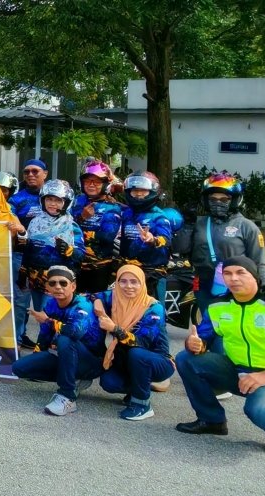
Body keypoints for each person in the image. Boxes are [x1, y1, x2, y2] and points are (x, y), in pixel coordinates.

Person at [174, 256, 265, 456]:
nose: (233, 278)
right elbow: (203, 339)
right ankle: (211, 420)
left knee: (262, 411)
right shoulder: (217, 306)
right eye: (227, 273)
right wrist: (195, 345)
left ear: (255, 276)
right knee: (186, 359)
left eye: (240, 272)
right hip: (236, 373)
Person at [11, 266, 106, 416]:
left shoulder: (83, 305)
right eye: (53, 283)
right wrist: (38, 356)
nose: (58, 287)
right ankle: (74, 378)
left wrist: (48, 321)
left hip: (92, 362)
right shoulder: (51, 303)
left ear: (73, 286)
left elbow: (75, 332)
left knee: (65, 339)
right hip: (66, 357)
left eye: (63, 283)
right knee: (19, 368)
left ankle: (67, 396)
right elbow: (45, 335)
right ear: (47, 287)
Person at [92, 265, 174, 420]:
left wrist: (115, 328)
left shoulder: (154, 307)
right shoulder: (114, 297)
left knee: (137, 354)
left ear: (142, 283)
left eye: (134, 282)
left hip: (157, 360)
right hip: (125, 359)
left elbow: (143, 341)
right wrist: (97, 302)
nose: (128, 286)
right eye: (123, 281)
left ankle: (142, 404)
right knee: (109, 382)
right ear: (117, 283)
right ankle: (138, 387)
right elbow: (88, 296)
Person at [190, 171, 265, 312]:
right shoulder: (200, 224)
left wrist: (262, 289)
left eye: (224, 199)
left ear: (235, 200)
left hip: (234, 285)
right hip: (204, 285)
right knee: (208, 322)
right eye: (213, 199)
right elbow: (184, 250)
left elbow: (259, 260)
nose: (218, 203)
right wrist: (186, 225)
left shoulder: (246, 226)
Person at [19, 179, 85, 335]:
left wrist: (68, 250)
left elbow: (81, 254)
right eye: (49, 199)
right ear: (42, 200)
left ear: (66, 202)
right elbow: (28, 249)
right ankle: (43, 344)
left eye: (58, 200)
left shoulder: (71, 225)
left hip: (57, 281)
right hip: (36, 279)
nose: (53, 204)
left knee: (53, 316)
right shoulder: (34, 222)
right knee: (40, 315)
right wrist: (23, 271)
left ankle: (53, 344)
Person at [8, 159, 48, 348]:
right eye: (26, 172)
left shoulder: (54, 195)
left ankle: (46, 342)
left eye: (35, 171)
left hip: (47, 259)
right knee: (21, 301)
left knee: (46, 304)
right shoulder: (16, 199)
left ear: (45, 174)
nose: (30, 175)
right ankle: (17, 339)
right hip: (22, 257)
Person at [119, 171, 173, 300]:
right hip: (128, 271)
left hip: (152, 273)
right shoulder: (126, 213)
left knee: (152, 309)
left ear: (152, 192)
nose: (138, 194)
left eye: (143, 191)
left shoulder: (159, 216)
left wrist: (153, 239)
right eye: (135, 191)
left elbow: (166, 239)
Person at [71, 160, 123, 293]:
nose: (91, 185)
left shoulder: (112, 207)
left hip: (99, 267)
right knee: (75, 302)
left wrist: (81, 222)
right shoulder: (77, 201)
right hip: (75, 263)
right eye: (87, 181)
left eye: (97, 181)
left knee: (97, 301)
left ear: (105, 184)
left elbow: (107, 236)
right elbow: (65, 226)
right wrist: (81, 218)